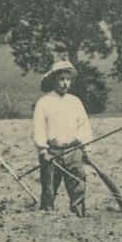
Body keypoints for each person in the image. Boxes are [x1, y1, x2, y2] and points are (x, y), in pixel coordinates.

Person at [33, 60, 92, 217]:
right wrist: (43, 151)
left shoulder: (75, 102)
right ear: (54, 80)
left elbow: (84, 126)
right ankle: (47, 216)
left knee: (78, 186)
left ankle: (79, 216)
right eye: (61, 79)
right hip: (53, 152)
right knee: (49, 189)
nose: (65, 83)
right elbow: (38, 129)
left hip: (74, 150)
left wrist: (85, 148)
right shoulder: (44, 103)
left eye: (68, 79)